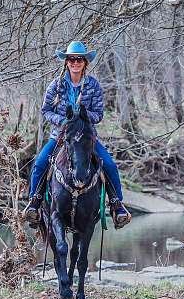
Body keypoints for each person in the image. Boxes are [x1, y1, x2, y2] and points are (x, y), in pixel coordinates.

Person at [23, 41, 131, 229]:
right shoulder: (56, 85)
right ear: (66, 62)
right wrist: (63, 121)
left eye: (79, 59)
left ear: (85, 62)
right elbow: (46, 110)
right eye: (71, 59)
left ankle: (117, 205)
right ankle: (35, 202)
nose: (75, 62)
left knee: (110, 165)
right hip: (61, 135)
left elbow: (99, 114)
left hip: (87, 137)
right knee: (40, 162)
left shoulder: (93, 85)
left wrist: (83, 115)